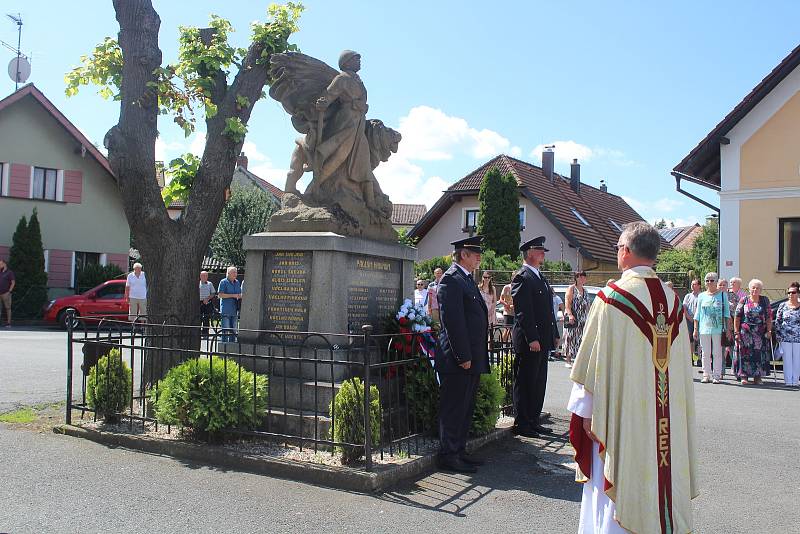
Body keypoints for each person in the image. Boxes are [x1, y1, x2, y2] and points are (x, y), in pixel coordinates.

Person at [568, 221, 698, 534]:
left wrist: (586, 412)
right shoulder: (674, 302)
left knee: (617, 475)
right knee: (661, 476)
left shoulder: (611, 298)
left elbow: (593, 362)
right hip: (666, 422)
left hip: (623, 417)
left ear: (626, 252)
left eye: (617, 247)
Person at [434, 236, 490, 473]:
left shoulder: (466, 279)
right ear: (462, 254)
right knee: (454, 407)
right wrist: (463, 356)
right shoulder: (451, 280)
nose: (479, 256)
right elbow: (454, 323)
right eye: (474, 252)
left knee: (465, 406)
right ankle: (449, 454)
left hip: (471, 356)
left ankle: (459, 450)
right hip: (458, 359)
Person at [511, 236, 559, 437]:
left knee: (539, 382)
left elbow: (548, 310)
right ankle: (523, 422)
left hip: (543, 339)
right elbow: (524, 312)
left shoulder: (539, 276)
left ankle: (533, 419)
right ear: (529, 253)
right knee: (526, 382)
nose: (543, 253)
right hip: (531, 341)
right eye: (540, 250)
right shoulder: (522, 276)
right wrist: (532, 338)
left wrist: (554, 333)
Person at [693, 272, 731, 384]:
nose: (709, 282)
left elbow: (727, 314)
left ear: (716, 282)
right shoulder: (701, 296)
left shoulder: (723, 295)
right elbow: (697, 314)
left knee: (717, 352)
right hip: (704, 328)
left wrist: (728, 329)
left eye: (712, 280)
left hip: (718, 328)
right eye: (707, 280)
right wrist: (695, 329)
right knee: (705, 352)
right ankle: (706, 374)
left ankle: (717, 375)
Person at [734, 279, 772, 385]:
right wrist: (736, 332)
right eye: (753, 287)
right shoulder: (744, 300)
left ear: (761, 289)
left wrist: (769, 330)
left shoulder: (765, 300)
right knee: (744, 354)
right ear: (749, 289)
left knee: (758, 355)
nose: (755, 289)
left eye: (757, 288)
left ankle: (757, 377)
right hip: (745, 332)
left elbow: (769, 316)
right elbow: (737, 317)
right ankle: (744, 376)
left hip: (760, 333)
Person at [775, 282, 800, 388]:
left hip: (798, 338)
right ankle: (788, 381)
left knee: (797, 359)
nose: (790, 294)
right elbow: (778, 321)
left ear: (798, 293)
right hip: (785, 337)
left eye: (793, 292)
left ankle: (795, 380)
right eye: (788, 292)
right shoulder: (783, 305)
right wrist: (778, 335)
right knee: (787, 359)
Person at [563, 271, 590, 369]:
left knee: (580, 339)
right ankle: (568, 360)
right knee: (570, 337)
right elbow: (567, 302)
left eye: (584, 277)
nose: (583, 279)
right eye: (581, 277)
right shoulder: (571, 289)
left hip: (583, 318)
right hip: (573, 317)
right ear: (577, 278)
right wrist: (569, 315)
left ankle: (577, 360)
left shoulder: (585, 291)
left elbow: (588, 305)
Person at [218, 266, 242, 343]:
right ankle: (224, 349)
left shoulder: (237, 282)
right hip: (226, 309)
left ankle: (232, 349)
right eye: (233, 272)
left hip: (234, 309)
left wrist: (240, 296)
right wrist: (233, 295)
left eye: (236, 272)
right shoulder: (223, 282)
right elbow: (220, 295)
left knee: (234, 330)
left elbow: (239, 293)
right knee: (225, 330)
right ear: (228, 273)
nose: (235, 274)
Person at [683, 278, 701, 366]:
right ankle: (691, 358)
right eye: (692, 284)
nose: (692, 286)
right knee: (690, 340)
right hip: (689, 320)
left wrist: (697, 319)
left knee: (699, 340)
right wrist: (689, 317)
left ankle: (699, 359)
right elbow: (684, 308)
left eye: (694, 284)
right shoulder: (688, 296)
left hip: (699, 320)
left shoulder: (701, 296)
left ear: (699, 286)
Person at [199, 271, 216, 337]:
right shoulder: (198, 283)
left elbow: (213, 293)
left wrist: (207, 299)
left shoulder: (210, 284)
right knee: (199, 318)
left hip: (207, 303)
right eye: (203, 275)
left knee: (206, 318)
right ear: (200, 276)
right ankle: (198, 332)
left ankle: (205, 333)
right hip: (199, 303)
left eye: (206, 276)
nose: (204, 277)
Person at [0, 259, 15, 327]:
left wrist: (9, 291)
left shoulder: (9, 272)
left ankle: (9, 323)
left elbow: (13, 282)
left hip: (6, 293)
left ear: (4, 264)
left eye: (0, 264)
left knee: (8, 308)